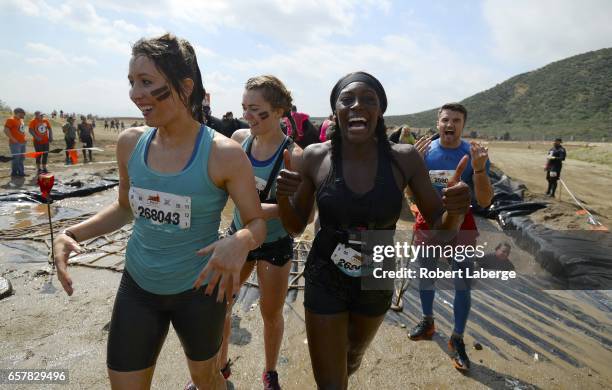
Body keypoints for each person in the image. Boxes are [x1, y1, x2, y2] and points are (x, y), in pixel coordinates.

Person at [52, 33, 266, 390]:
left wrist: (241, 239)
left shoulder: (223, 154)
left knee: (206, 380)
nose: (136, 94)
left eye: (147, 82)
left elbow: (257, 222)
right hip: (138, 287)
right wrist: (71, 233)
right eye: (132, 83)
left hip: (199, 291)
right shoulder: (130, 143)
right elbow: (124, 208)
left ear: (184, 87)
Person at [276, 72, 471, 389]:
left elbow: (443, 231)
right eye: (347, 99)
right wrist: (283, 197)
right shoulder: (315, 156)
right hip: (326, 271)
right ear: (335, 111)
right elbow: (295, 226)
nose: (357, 106)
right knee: (330, 383)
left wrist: (455, 212)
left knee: (351, 358)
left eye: (369, 100)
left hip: (376, 273)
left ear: (380, 111)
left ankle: (348, 367)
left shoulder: (403, 159)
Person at [217, 75, 303, 390]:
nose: (248, 117)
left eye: (257, 111)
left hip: (274, 242)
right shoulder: (240, 139)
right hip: (239, 235)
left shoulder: (294, 155)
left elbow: (303, 214)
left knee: (271, 313)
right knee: (221, 306)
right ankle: (220, 368)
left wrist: (263, 209)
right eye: (245, 108)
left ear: (280, 111)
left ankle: (270, 373)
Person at [410, 103, 493, 372]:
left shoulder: (473, 154)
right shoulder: (425, 152)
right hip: (428, 219)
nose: (450, 124)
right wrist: (416, 166)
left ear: (463, 125)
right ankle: (427, 321)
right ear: (438, 123)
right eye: (446, 119)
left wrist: (479, 171)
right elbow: (410, 194)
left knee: (462, 283)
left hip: (462, 222)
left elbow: (484, 200)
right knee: (425, 275)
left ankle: (456, 338)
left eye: (456, 120)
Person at [4, 107, 27, 177]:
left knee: (22, 158)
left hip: (23, 142)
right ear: (19, 113)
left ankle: (21, 172)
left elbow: (21, 130)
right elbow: (6, 130)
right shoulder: (11, 120)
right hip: (15, 143)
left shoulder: (21, 120)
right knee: (16, 158)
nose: (24, 115)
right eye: (23, 114)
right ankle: (14, 173)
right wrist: (13, 139)